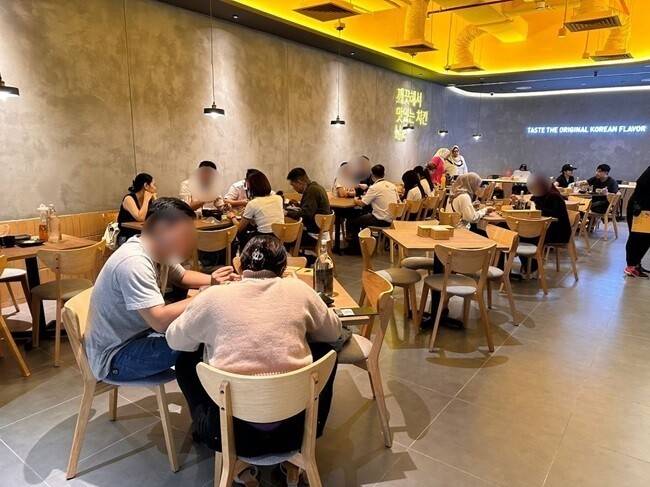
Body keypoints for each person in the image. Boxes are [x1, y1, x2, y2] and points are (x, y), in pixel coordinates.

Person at [168, 235, 342, 458]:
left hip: (227, 435)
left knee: (185, 360)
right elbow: (333, 332)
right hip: (297, 431)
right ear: (283, 268)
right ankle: (313, 424)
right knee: (327, 352)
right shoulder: (300, 290)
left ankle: (206, 427)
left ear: (239, 266)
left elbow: (174, 340)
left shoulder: (211, 297)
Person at [85, 198, 237, 382]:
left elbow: (182, 276)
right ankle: (211, 397)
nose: (189, 242)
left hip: (141, 334)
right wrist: (207, 295)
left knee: (200, 333)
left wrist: (215, 281)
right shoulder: (134, 262)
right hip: (115, 355)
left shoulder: (159, 251)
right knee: (197, 341)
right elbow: (160, 321)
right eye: (184, 235)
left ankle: (210, 393)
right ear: (161, 230)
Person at [346, 164, 399, 253]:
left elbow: (362, 204)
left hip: (380, 219)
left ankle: (355, 248)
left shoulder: (374, 187)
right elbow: (398, 201)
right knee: (363, 217)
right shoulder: (392, 186)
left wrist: (355, 200)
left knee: (353, 221)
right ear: (384, 174)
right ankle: (365, 241)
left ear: (373, 175)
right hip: (392, 219)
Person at [229, 170, 284, 248]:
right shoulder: (278, 198)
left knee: (241, 234)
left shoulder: (253, 203)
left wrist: (232, 216)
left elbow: (239, 228)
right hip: (278, 239)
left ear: (251, 187)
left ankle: (244, 254)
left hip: (263, 242)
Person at [286, 167, 331, 243]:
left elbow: (306, 214)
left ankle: (298, 251)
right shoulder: (316, 187)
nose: (293, 188)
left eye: (293, 185)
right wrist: (298, 205)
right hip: (319, 231)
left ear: (299, 182)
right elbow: (311, 208)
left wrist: (287, 213)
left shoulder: (312, 191)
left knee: (286, 237)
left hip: (315, 235)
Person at [116, 173, 157, 246]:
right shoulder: (129, 199)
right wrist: (146, 199)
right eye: (154, 185)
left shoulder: (148, 199)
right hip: (127, 237)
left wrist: (155, 199)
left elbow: (158, 215)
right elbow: (140, 218)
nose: (155, 188)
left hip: (141, 236)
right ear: (146, 186)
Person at [624, 165, 650, 278]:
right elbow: (640, 184)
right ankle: (631, 266)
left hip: (646, 209)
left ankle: (637, 264)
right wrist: (637, 204)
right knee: (636, 237)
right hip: (638, 209)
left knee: (646, 238)